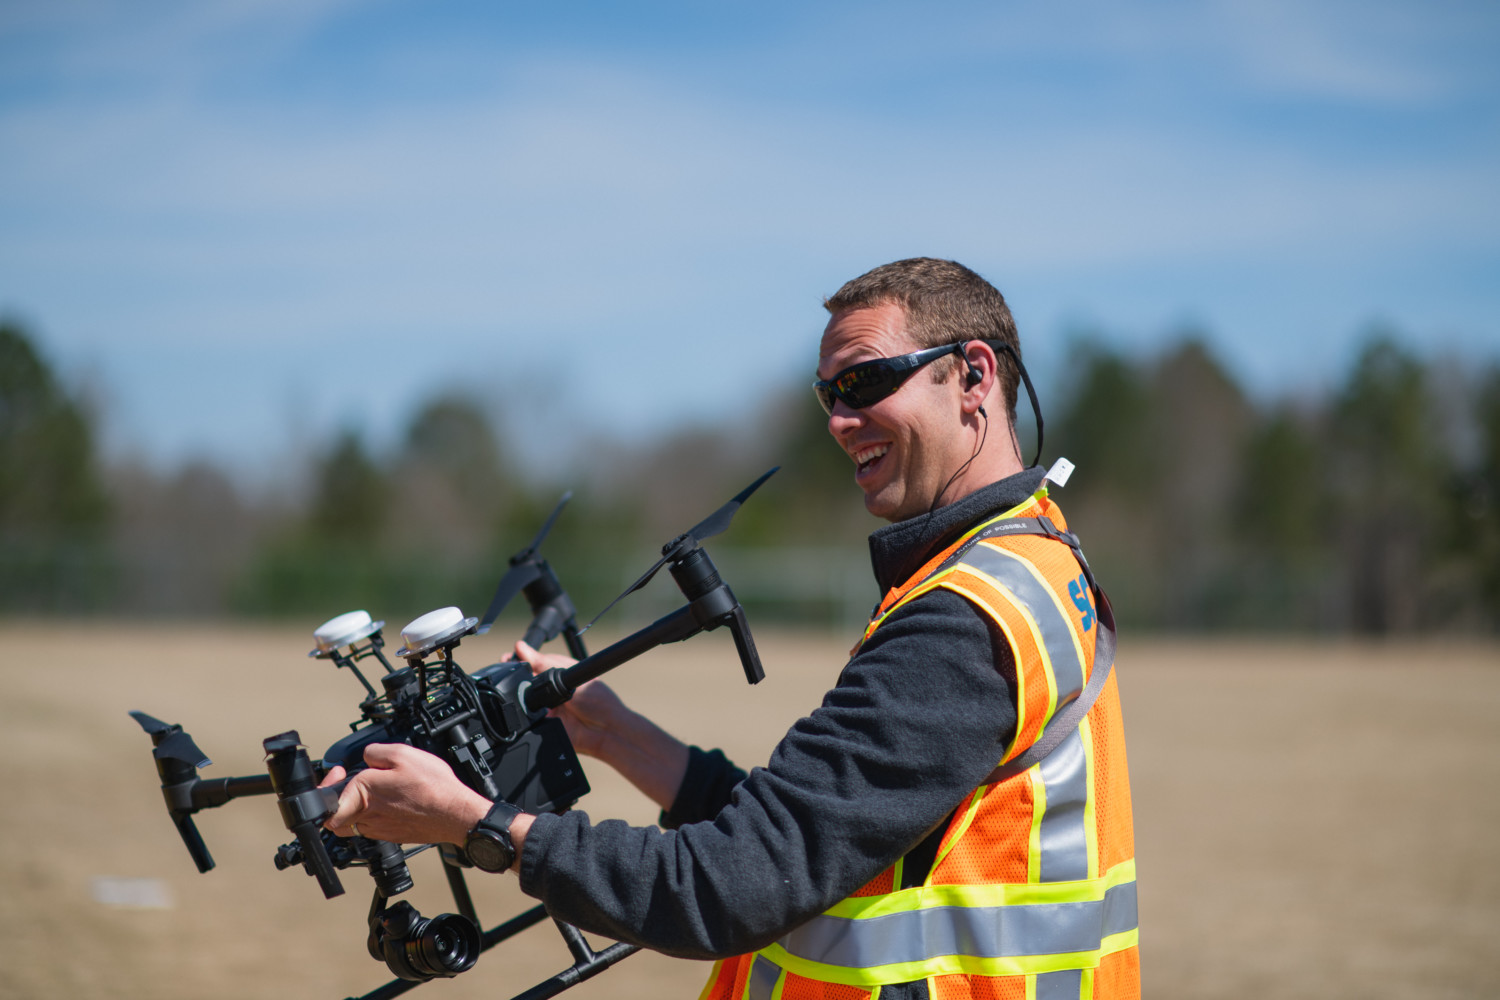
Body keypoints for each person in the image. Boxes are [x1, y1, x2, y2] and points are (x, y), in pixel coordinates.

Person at [323, 258, 1140, 1000]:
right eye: (828, 395)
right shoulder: (1029, 557)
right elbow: (822, 834)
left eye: (863, 383)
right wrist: (625, 738)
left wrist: (476, 825)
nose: (837, 420)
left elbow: (732, 886)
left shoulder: (961, 621)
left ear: (973, 375)